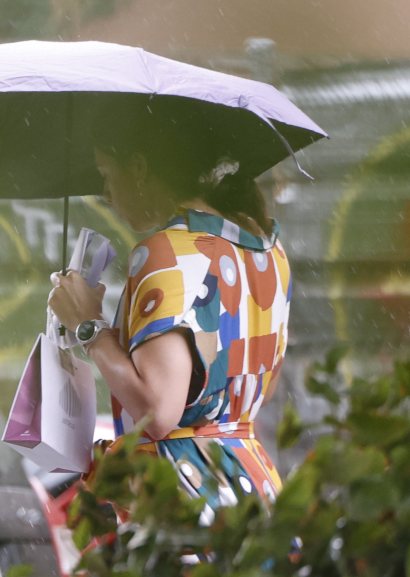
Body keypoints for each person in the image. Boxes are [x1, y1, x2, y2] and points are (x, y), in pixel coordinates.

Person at [48, 109, 289, 519]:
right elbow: (257, 387)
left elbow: (158, 414)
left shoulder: (166, 253)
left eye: (107, 174)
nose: (106, 194)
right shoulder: (267, 251)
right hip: (251, 485)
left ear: (138, 167)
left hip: (186, 498)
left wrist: (88, 327)